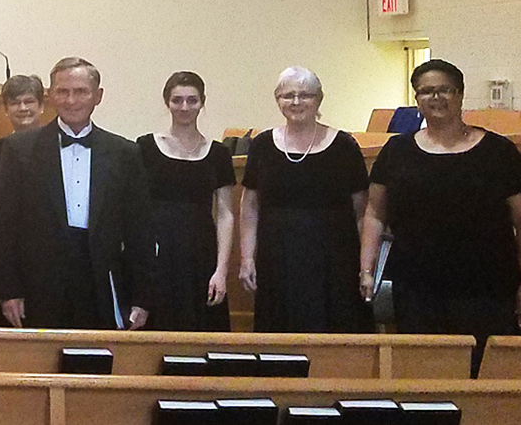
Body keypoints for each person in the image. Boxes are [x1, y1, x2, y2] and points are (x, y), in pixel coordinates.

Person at [362, 59, 521, 372]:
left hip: (488, 287)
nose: (436, 98)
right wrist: (366, 269)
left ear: (460, 95)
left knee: (487, 375)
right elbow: (374, 214)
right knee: (425, 373)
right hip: (418, 287)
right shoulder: (397, 152)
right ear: (417, 100)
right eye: (426, 92)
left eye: (444, 90)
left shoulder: (498, 152)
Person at [0, 57, 152, 330]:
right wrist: (8, 290)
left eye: (80, 92)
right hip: (39, 282)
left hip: (101, 280)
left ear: (97, 96)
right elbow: (5, 226)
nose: (71, 100)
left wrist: (142, 297)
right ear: (50, 95)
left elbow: (140, 230)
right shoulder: (19, 149)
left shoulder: (124, 153)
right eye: (63, 92)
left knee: (98, 364)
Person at [238, 67, 372, 333]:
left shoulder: (344, 146)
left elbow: (362, 211)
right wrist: (246, 259)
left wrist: (365, 266)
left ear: (318, 100)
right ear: (278, 100)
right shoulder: (262, 145)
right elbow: (250, 207)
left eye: (305, 95)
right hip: (277, 258)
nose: (296, 102)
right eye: (288, 96)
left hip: (334, 260)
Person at [138, 71, 235, 332]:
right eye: (177, 100)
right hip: (158, 255)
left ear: (202, 102)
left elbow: (226, 215)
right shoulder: (145, 148)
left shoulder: (219, 154)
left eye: (192, 100)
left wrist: (221, 271)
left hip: (200, 256)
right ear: (166, 102)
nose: (184, 107)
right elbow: (133, 210)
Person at [0, 75, 45, 224]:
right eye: (15, 103)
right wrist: (4, 228)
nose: (23, 108)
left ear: (41, 106)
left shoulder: (56, 144)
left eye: (29, 101)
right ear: (6, 109)